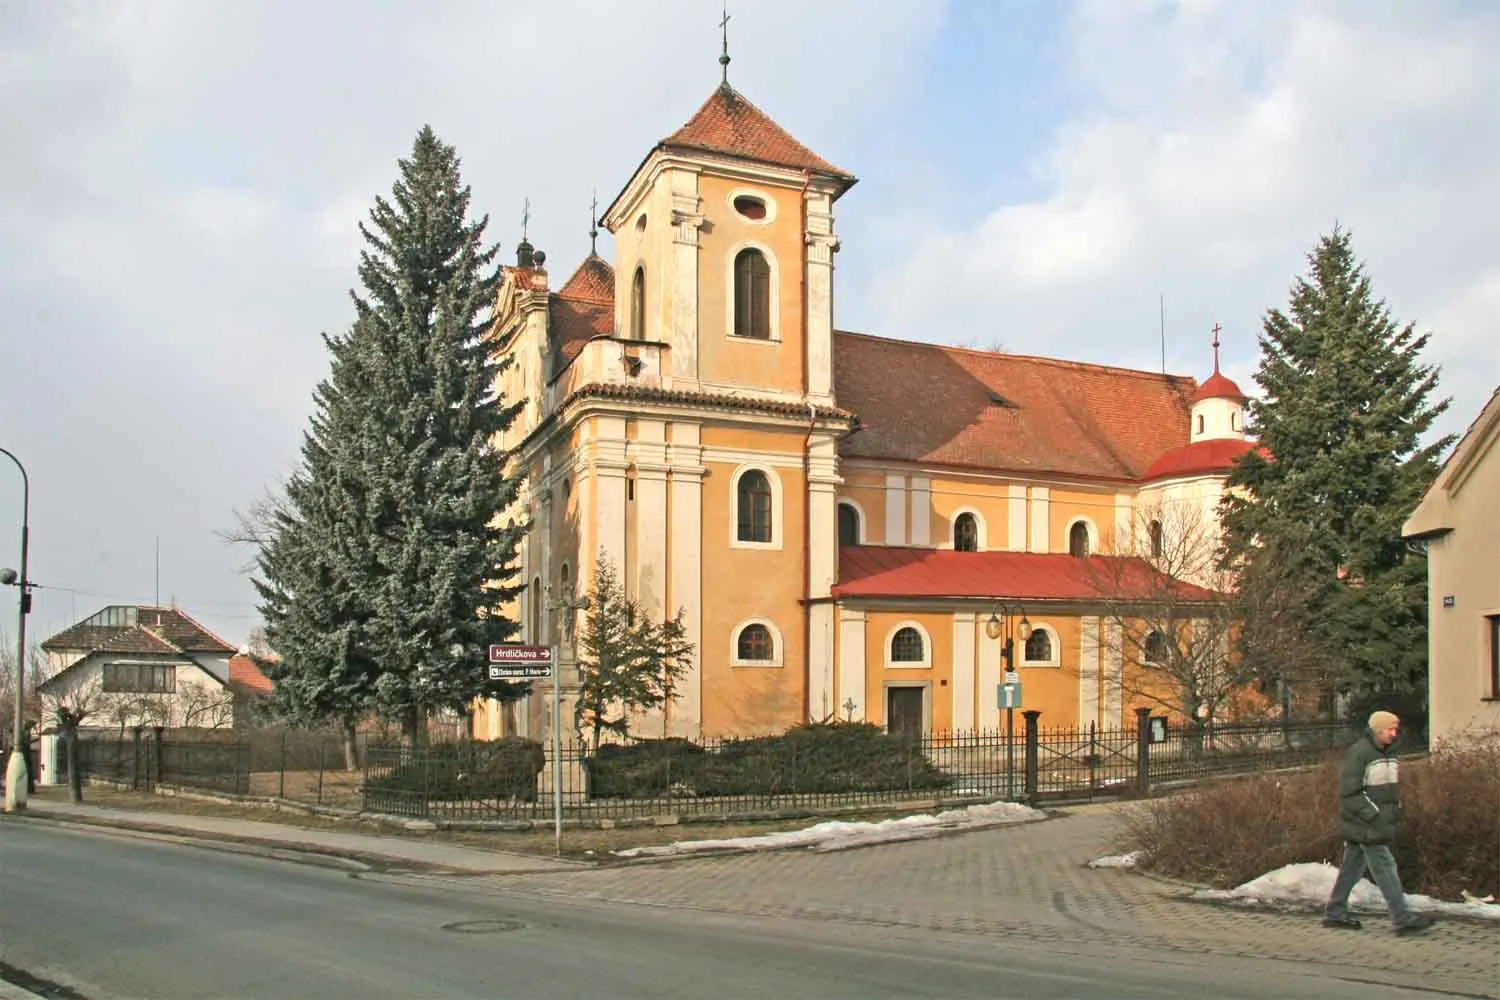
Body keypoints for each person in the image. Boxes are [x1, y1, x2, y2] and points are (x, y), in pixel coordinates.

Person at [1322, 710, 1434, 933]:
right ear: (1377, 730)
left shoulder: (1389, 753)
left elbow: (1387, 790)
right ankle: (1401, 917)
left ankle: (1335, 912)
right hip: (1367, 823)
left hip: (1375, 821)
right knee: (1385, 867)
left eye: (1395, 729)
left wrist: (1392, 810)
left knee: (1352, 867)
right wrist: (1374, 815)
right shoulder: (1360, 753)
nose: (1394, 733)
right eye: (1389, 729)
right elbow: (1350, 793)